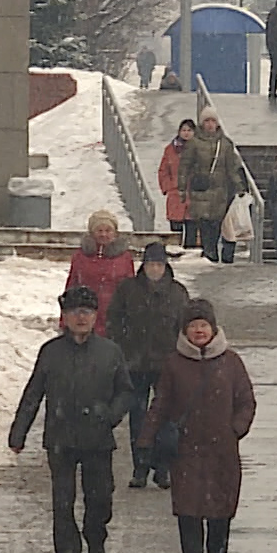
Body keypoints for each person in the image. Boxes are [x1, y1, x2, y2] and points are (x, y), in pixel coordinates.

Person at [10, 287, 135, 553]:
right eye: (75, 312)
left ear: (95, 317)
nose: (81, 318)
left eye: (87, 312)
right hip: (61, 438)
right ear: (64, 317)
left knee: (100, 498)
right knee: (62, 501)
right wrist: (19, 433)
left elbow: (126, 392)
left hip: (98, 439)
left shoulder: (110, 352)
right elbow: (33, 394)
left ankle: (95, 536)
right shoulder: (51, 353)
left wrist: (110, 415)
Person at [140, 299, 256, 553]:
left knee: (220, 506)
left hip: (222, 449)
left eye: (203, 325)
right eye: (193, 326)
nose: (199, 331)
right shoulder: (174, 364)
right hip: (185, 448)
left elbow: (246, 401)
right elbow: (161, 404)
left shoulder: (231, 362)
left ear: (213, 329)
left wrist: (235, 428)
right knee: (187, 507)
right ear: (184, 331)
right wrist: (146, 439)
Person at [107, 241, 191, 490]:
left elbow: (184, 326)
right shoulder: (128, 289)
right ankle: (140, 467)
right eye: (151, 264)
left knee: (168, 418)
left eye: (159, 264)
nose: (155, 269)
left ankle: (163, 468)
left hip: (167, 363)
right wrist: (120, 345)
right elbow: (114, 318)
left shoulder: (177, 293)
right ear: (143, 265)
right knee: (138, 417)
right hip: (134, 362)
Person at [178, 107, 247, 264]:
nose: (210, 124)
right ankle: (210, 254)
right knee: (204, 225)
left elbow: (232, 168)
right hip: (201, 191)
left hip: (219, 193)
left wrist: (239, 187)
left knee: (216, 225)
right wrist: (181, 188)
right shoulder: (194, 143)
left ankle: (212, 254)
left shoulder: (225, 144)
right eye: (207, 121)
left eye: (213, 121)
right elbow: (184, 166)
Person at [65, 209, 134, 336]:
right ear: (92, 233)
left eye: (108, 230)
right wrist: (65, 320)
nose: (103, 234)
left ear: (115, 233)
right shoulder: (80, 256)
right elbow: (71, 287)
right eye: (99, 230)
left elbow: (131, 291)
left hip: (115, 320)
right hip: (85, 319)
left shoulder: (124, 258)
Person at [157, 119, 198, 249]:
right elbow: (163, 170)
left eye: (189, 130)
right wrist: (168, 187)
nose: (186, 133)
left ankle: (190, 255)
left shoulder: (200, 149)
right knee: (175, 230)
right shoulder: (170, 150)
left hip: (193, 194)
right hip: (175, 194)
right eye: (184, 130)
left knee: (192, 229)